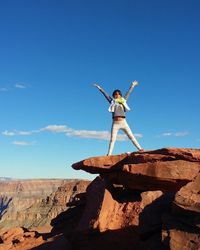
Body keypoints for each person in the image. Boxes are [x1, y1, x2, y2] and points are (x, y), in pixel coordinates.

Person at [93, 81, 143, 155]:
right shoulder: (112, 102)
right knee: (112, 139)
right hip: (115, 123)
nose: (117, 95)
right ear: (113, 95)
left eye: (118, 94)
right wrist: (99, 88)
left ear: (120, 95)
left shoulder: (123, 101)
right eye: (115, 94)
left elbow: (128, 93)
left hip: (123, 122)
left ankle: (140, 149)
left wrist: (132, 85)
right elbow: (105, 95)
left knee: (131, 136)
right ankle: (109, 154)